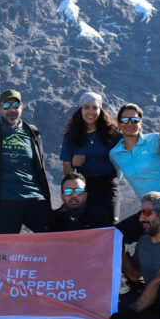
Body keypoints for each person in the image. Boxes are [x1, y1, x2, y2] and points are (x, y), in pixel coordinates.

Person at [0, 89, 53, 234]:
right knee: (6, 248)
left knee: (52, 234)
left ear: (22, 106)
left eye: (15, 104)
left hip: (34, 197)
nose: (11, 109)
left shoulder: (32, 132)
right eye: (6, 106)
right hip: (4, 200)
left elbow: (39, 164)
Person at [108, 103, 160, 243]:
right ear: (118, 123)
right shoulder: (115, 154)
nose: (130, 124)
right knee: (116, 237)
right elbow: (113, 179)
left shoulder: (155, 140)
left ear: (141, 122)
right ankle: (128, 266)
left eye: (135, 120)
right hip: (148, 211)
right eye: (124, 120)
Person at [61, 92, 122, 223]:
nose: (91, 111)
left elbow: (129, 149)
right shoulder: (70, 136)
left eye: (95, 108)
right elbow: (67, 171)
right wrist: (73, 164)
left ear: (101, 110)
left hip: (108, 185)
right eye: (86, 107)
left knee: (111, 225)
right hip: (84, 187)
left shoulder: (113, 133)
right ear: (80, 110)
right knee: (85, 226)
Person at [46, 172, 114, 232]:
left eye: (79, 191)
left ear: (85, 196)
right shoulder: (52, 219)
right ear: (62, 196)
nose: (73, 195)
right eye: (68, 191)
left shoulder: (99, 216)